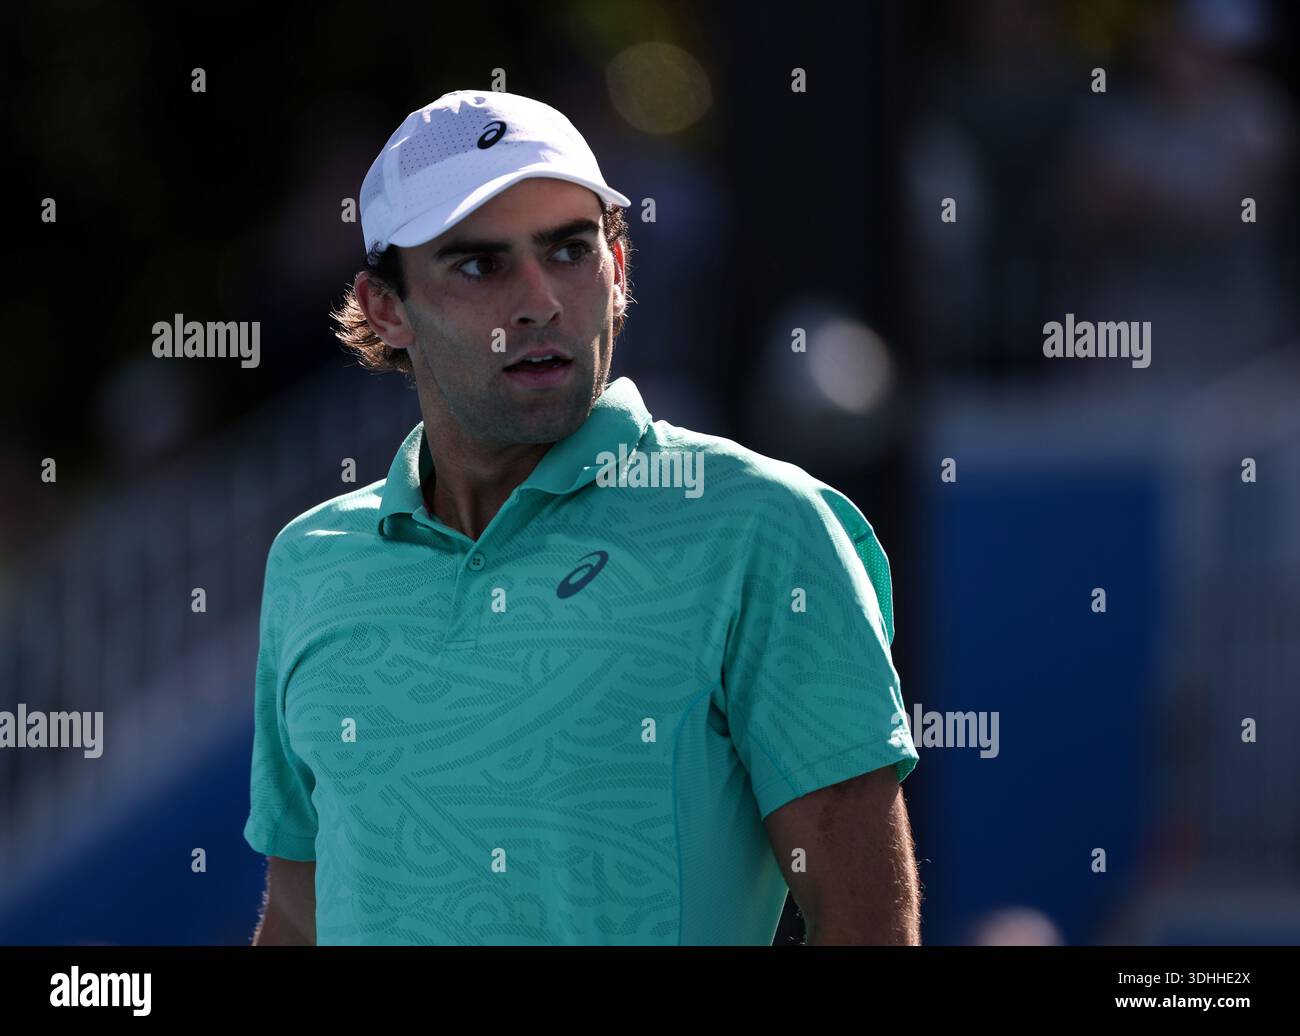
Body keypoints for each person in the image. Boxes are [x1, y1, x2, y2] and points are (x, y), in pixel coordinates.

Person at [244, 89, 920, 945]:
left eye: (569, 250)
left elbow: (866, 923)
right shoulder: (309, 562)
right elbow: (299, 918)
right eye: (481, 266)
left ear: (620, 269)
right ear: (386, 309)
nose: (540, 302)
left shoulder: (765, 525)